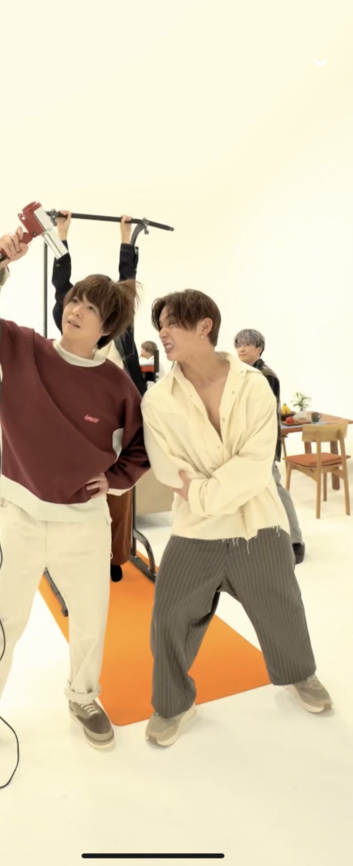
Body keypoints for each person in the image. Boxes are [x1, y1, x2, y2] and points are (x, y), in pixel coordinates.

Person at [0, 224, 149, 771]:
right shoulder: (17, 348)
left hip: (81, 522)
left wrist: (115, 480)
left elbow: (140, 448)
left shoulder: (118, 388)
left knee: (89, 619)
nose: (75, 309)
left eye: (91, 308)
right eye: (74, 299)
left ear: (107, 328)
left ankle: (83, 698)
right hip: (18, 513)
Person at [141, 288, 332, 747]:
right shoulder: (158, 400)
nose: (162, 333)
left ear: (204, 325)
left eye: (171, 323)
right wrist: (205, 493)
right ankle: (172, 703)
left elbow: (257, 459)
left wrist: (201, 491)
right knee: (169, 617)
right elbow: (166, 466)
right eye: (159, 326)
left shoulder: (254, 384)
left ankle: (299, 674)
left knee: (281, 606)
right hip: (196, 530)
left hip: (257, 521)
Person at [52, 212, 146, 583]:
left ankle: (115, 556)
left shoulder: (121, 335)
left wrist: (126, 239)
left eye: (94, 308)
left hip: (117, 422)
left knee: (118, 494)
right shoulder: (71, 333)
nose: (80, 312)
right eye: (80, 305)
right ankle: (68, 561)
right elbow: (62, 287)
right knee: (77, 493)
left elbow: (126, 285)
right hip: (80, 425)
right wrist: (62, 235)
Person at [234, 329, 305, 565]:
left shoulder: (266, 375)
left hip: (261, 443)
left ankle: (295, 541)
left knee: (275, 489)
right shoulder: (240, 373)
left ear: (259, 349)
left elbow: (261, 413)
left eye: (247, 344)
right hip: (243, 443)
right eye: (238, 345)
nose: (242, 349)